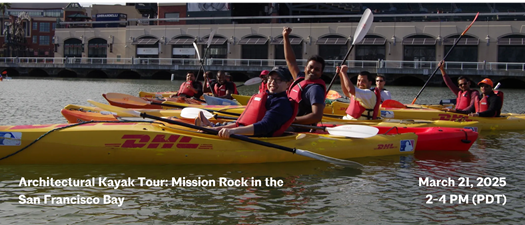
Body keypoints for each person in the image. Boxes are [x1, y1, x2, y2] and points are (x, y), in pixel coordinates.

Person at [195, 66, 296, 138]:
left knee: (232, 126)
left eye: (278, 80)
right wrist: (216, 130)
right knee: (234, 123)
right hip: (246, 131)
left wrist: (231, 131)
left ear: (288, 84)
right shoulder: (268, 97)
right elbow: (242, 123)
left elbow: (264, 126)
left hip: (257, 138)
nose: (272, 82)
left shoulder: (281, 104)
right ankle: (211, 127)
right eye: (270, 79)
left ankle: (211, 127)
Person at [283, 26, 326, 130]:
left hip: (299, 128)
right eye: (311, 67)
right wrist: (285, 37)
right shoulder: (300, 79)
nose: (312, 71)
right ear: (305, 68)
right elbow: (290, 61)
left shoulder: (315, 89)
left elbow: (317, 116)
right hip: (290, 122)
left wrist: (292, 120)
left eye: (317, 69)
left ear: (320, 73)